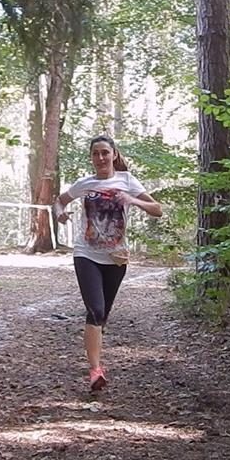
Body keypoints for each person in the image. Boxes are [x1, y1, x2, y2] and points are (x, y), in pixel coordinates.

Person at [53, 135, 163, 391]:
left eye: (105, 152)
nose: (100, 158)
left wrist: (133, 200)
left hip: (116, 257)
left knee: (102, 316)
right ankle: (95, 371)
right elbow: (59, 201)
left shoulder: (127, 180)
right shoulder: (85, 183)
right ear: (91, 158)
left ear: (114, 154)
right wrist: (60, 214)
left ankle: (94, 349)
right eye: (96, 153)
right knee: (95, 311)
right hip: (86, 254)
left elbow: (157, 209)